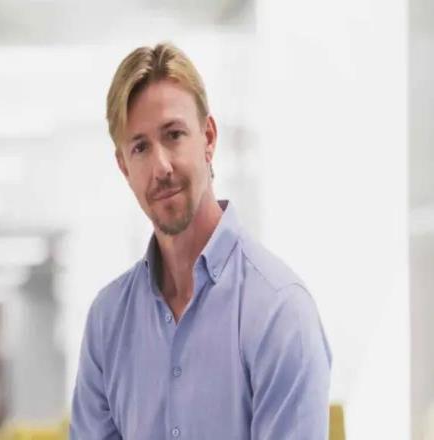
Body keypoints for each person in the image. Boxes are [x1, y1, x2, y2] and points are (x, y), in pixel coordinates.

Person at [70, 42, 332, 440]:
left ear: (208, 137)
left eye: (174, 135)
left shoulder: (279, 312)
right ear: (124, 166)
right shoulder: (107, 323)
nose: (160, 167)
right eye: (140, 147)